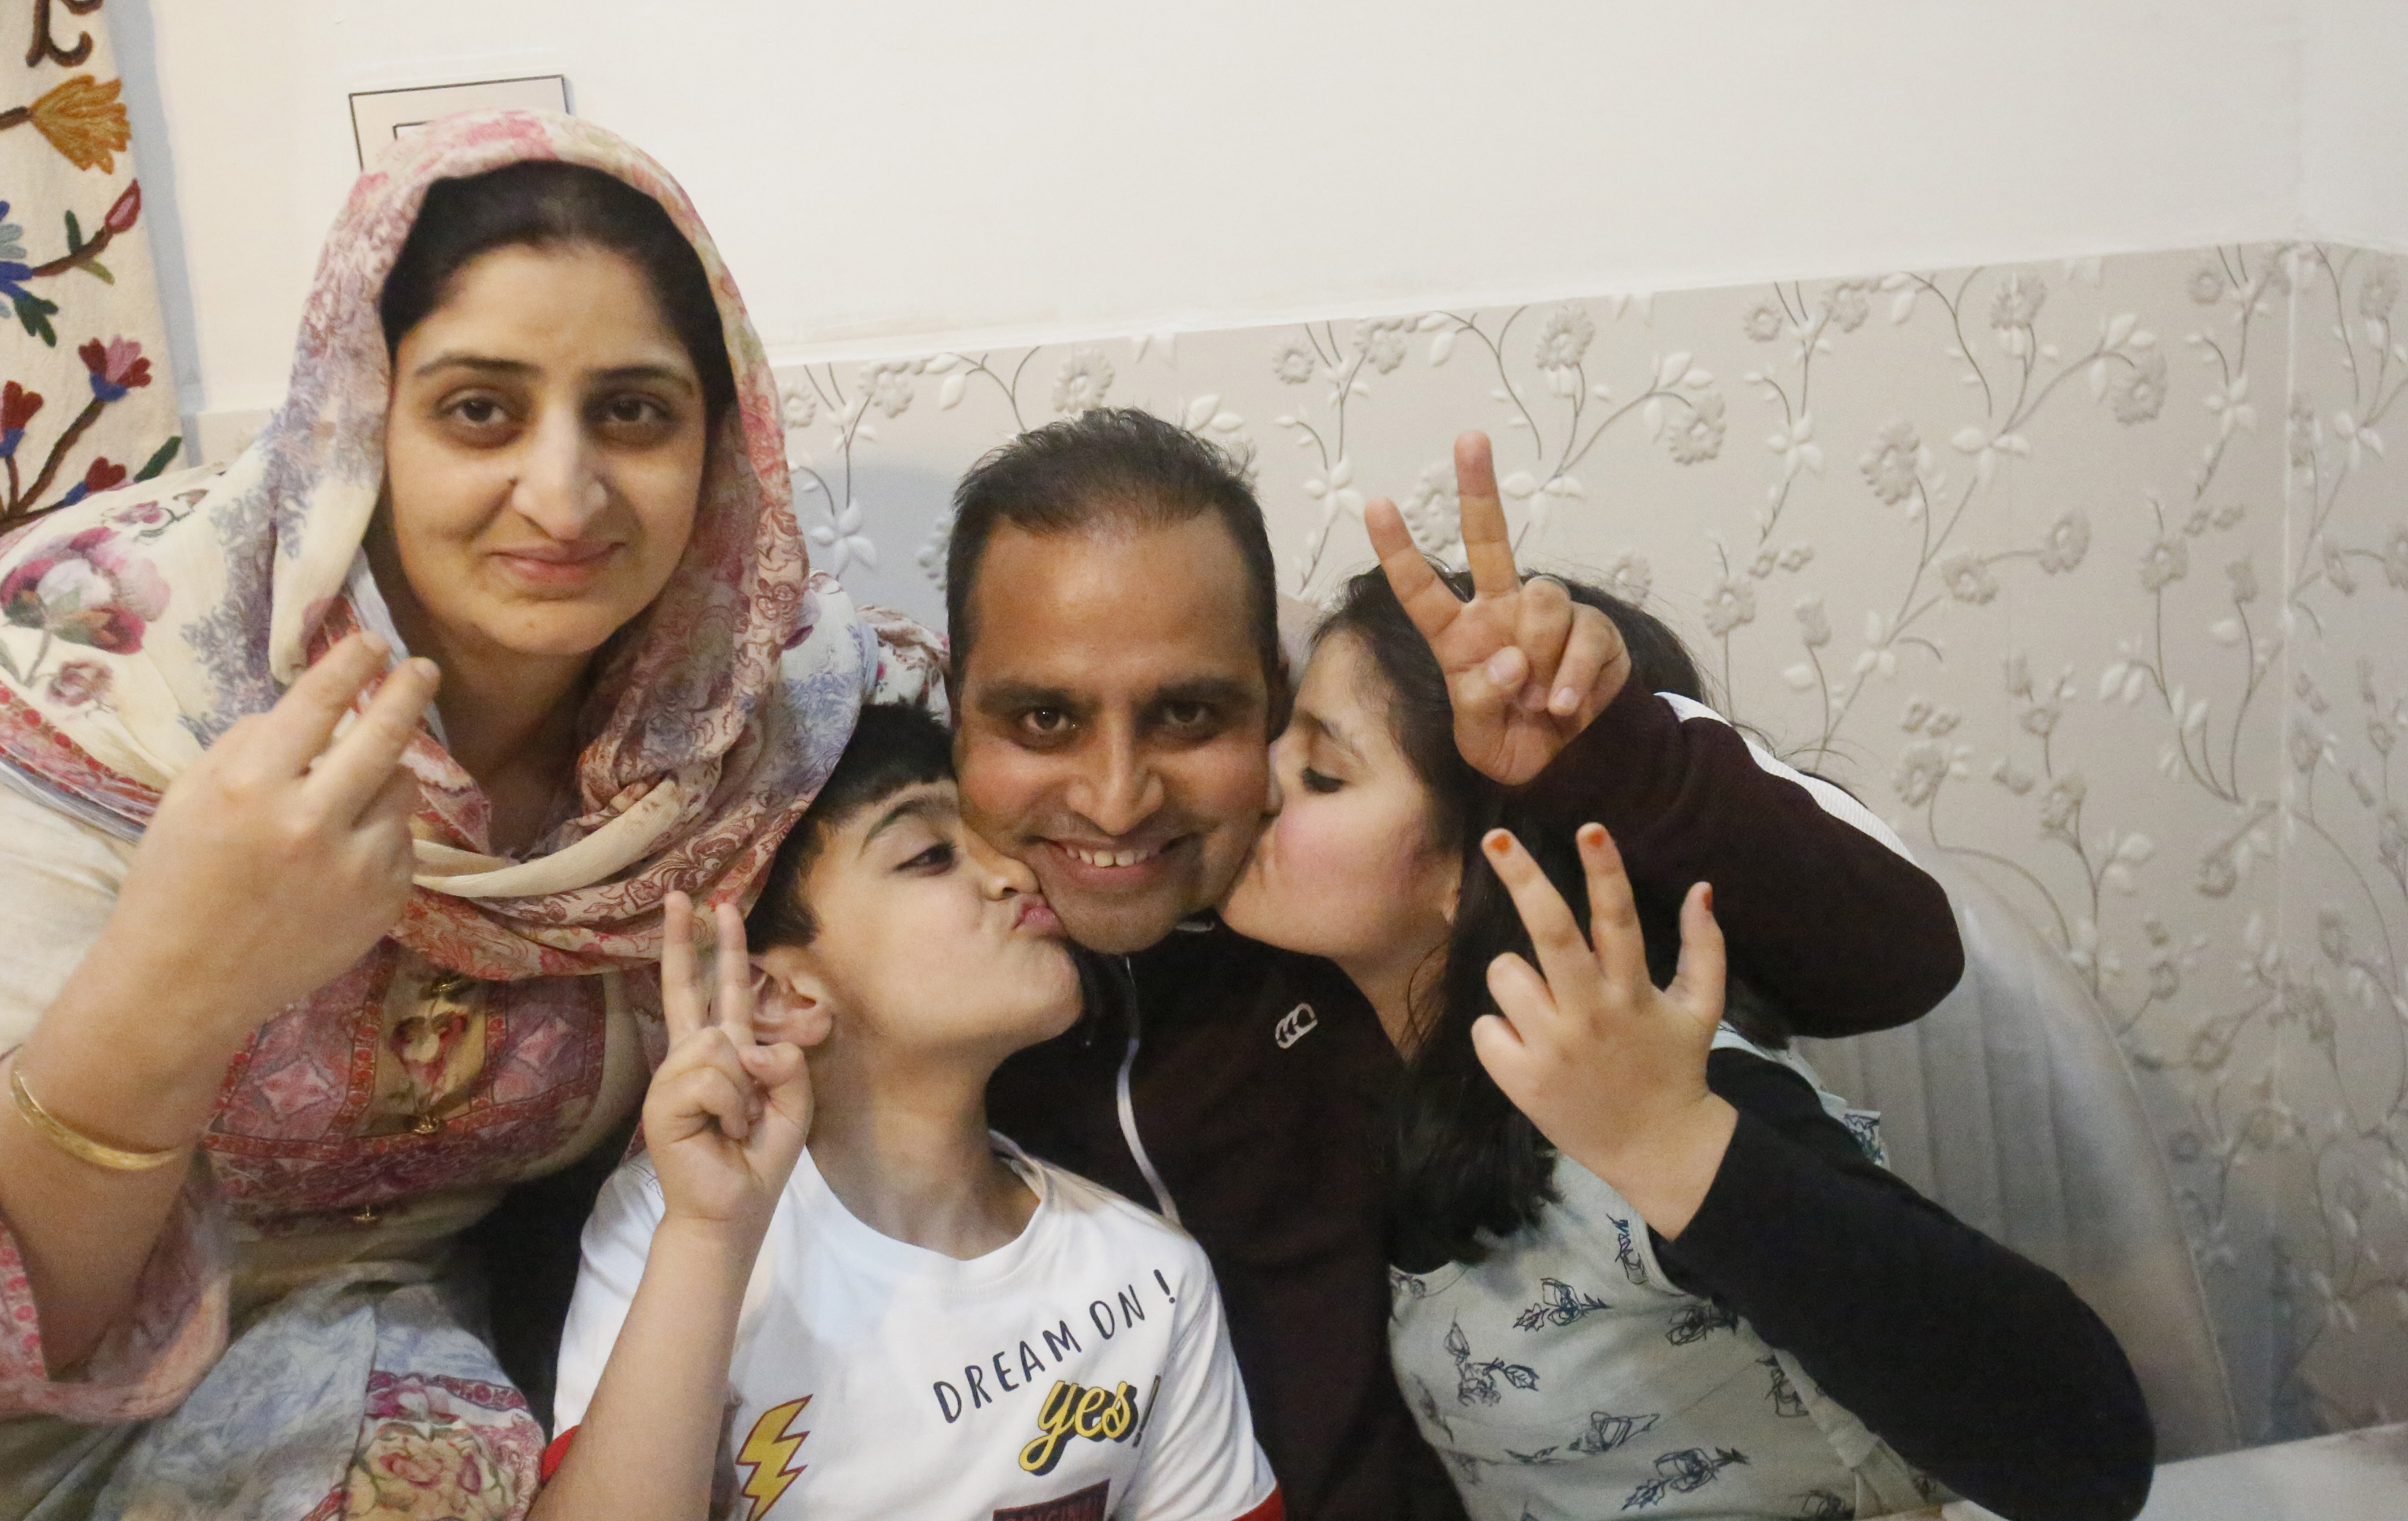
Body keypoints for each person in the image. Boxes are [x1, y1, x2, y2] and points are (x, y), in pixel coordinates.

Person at [0, 112, 934, 1520]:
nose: (562, 494)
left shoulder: (747, 728)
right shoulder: (95, 688)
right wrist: (177, 979)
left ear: (720, 441)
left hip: (370, 1375)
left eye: (633, 410)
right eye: (478, 409)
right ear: (350, 422)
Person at [961, 410, 1968, 1518]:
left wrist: (1614, 746)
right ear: (952, 710)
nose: (1116, 796)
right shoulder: (897, 963)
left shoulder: (1357, 931)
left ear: (1266, 694)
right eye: (1042, 718)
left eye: (1191, 714)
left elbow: (1895, 968)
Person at [1218, 561, 2156, 1520]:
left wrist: (1667, 1140)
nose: (1253, 785)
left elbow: (2085, 1456)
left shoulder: (1666, 1089)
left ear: (1487, 865)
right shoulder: (1380, 1072)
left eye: (1322, 774)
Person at [542, 704, 1282, 1521]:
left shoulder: (1151, 1278)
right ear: (778, 993)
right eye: (931, 854)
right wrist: (710, 1240)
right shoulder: (676, 1227)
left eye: (998, 845)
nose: (1017, 876)